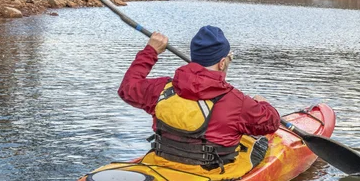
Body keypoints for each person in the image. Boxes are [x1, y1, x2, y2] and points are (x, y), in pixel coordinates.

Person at [118, 25, 280, 170]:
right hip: (213, 174)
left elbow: (127, 88)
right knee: (258, 147)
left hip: (163, 163)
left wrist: (151, 51)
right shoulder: (238, 102)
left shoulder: (161, 88)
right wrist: (263, 103)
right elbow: (271, 123)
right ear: (222, 63)